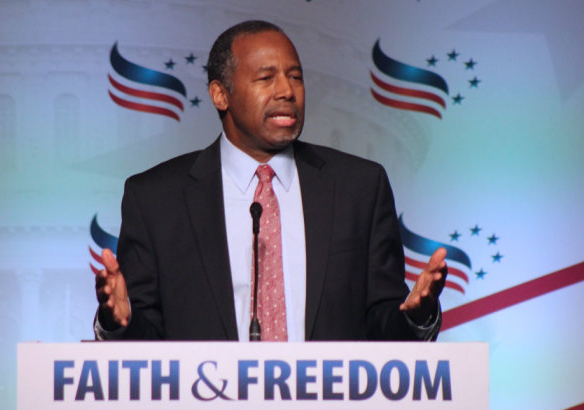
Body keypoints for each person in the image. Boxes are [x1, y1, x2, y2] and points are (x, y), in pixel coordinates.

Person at [94, 20, 447, 341]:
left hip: (330, 409)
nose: (287, 92)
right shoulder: (156, 200)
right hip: (207, 408)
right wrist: (117, 323)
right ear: (220, 95)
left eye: (295, 76)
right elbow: (145, 344)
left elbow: (383, 325)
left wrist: (416, 317)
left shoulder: (360, 188)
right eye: (266, 78)